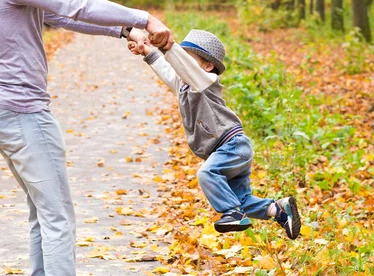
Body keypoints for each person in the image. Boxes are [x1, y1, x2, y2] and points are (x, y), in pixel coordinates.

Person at [0, 0, 173, 276]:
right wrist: (142, 18)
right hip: (23, 113)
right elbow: (74, 4)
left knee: (42, 213)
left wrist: (122, 31)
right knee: (59, 218)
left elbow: (60, 17)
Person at [127, 30, 301, 238]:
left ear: (208, 65)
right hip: (226, 150)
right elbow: (167, 70)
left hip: (232, 145)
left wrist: (168, 47)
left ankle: (233, 213)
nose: (179, 63)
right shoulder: (184, 86)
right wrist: (147, 50)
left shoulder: (206, 81)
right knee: (241, 201)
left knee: (207, 174)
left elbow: (185, 67)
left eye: (186, 58)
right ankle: (279, 210)